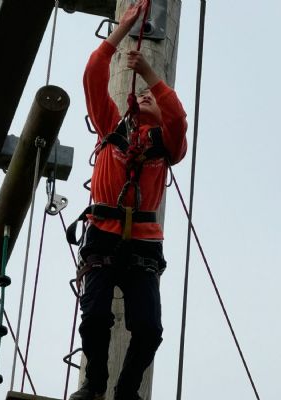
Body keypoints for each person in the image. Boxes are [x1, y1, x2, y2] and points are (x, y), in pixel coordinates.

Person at [68, 1, 187, 399]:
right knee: (94, 317)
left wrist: (149, 73)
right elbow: (93, 73)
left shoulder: (167, 145)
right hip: (103, 233)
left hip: (143, 245)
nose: (148, 97)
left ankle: (127, 392)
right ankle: (95, 383)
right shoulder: (111, 129)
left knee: (149, 328)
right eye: (145, 95)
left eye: (154, 97)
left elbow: (177, 118)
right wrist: (122, 29)